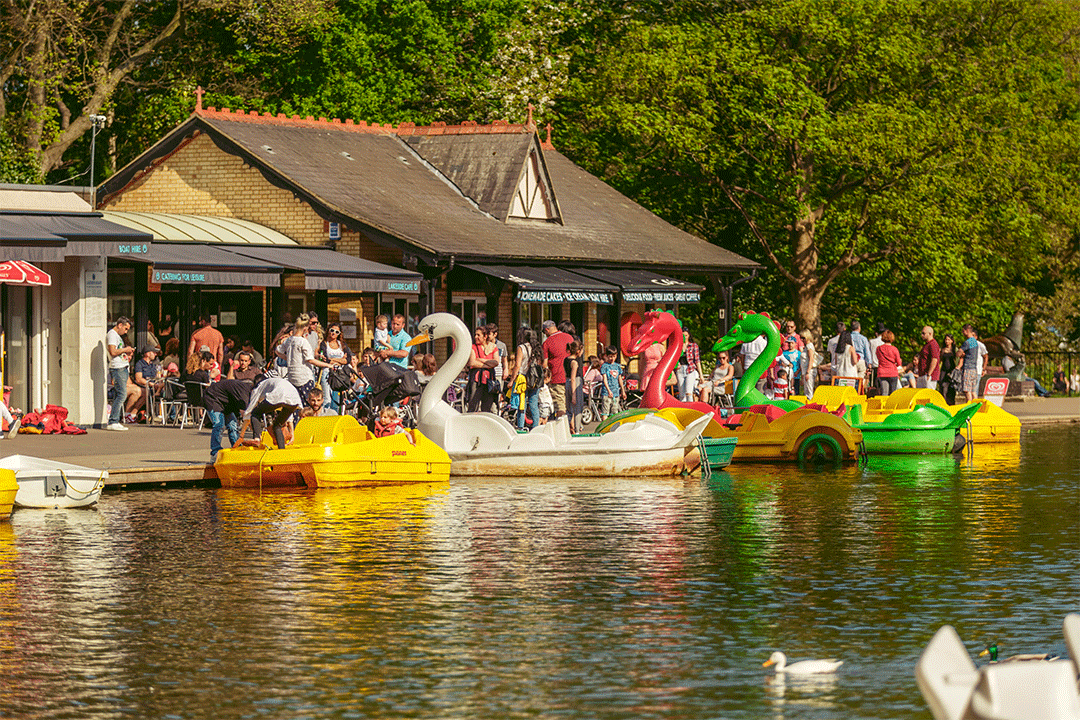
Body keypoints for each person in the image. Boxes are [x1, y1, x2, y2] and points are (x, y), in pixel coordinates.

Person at [234, 375, 302, 451]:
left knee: (255, 413)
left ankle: (257, 439)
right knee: (277, 425)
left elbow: (249, 411)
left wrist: (241, 435)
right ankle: (282, 450)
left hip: (279, 393)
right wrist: (292, 434)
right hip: (295, 397)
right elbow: (289, 416)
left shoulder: (259, 387)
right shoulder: (273, 383)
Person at [277, 315, 332, 403]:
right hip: (304, 377)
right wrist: (328, 365)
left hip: (292, 377)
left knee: (296, 404)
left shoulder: (289, 340)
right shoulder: (303, 342)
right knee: (308, 404)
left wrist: (288, 359)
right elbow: (310, 360)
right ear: (305, 328)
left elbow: (278, 350)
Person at [203, 378, 253, 462]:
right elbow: (246, 416)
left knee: (233, 426)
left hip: (226, 403)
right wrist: (254, 432)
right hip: (212, 398)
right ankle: (215, 452)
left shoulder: (247, 391)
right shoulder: (244, 393)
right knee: (219, 425)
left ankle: (237, 448)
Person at [106, 316, 135, 431]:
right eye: (126, 328)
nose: (126, 331)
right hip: (117, 368)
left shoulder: (116, 336)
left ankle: (114, 420)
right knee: (122, 394)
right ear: (120, 325)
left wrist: (125, 354)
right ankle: (113, 420)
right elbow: (112, 351)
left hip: (121, 366)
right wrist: (125, 350)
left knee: (120, 394)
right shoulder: (112, 334)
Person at [511, 327, 542, 431]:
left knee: (522, 404)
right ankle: (535, 427)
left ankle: (521, 426)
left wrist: (512, 380)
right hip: (535, 378)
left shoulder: (521, 347)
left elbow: (517, 365)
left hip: (522, 378)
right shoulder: (537, 347)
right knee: (534, 404)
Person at [318, 322, 353, 411]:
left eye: (337, 332)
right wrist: (340, 359)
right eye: (332, 330)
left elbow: (348, 359)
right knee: (327, 398)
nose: (334, 333)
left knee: (337, 399)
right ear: (328, 331)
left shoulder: (342, 344)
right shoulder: (324, 343)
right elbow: (326, 359)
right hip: (327, 372)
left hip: (340, 373)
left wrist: (333, 360)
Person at [541, 319, 572, 419]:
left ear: (547, 330)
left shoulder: (547, 343)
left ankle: (561, 429)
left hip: (556, 377)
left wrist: (545, 378)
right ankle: (574, 427)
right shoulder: (569, 337)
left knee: (559, 406)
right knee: (570, 405)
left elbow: (544, 364)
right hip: (570, 376)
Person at [467, 325, 499, 413]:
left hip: (489, 380)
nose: (475, 337)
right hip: (477, 380)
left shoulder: (493, 347)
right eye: (475, 335)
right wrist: (488, 365)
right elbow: (472, 363)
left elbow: (496, 362)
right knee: (473, 404)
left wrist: (481, 360)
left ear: (485, 337)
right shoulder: (473, 347)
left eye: (478, 335)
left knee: (487, 405)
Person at [127, 346, 161, 422]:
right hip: (144, 386)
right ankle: (132, 414)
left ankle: (166, 415)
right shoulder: (140, 364)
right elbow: (138, 379)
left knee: (167, 390)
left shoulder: (153, 365)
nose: (155, 354)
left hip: (154, 385)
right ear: (148, 354)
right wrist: (150, 384)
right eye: (154, 352)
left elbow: (156, 377)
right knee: (146, 392)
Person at [599, 345, 625, 419]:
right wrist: (608, 390)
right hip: (607, 393)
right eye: (610, 356)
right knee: (605, 412)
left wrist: (622, 390)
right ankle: (604, 429)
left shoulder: (617, 366)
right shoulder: (604, 366)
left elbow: (619, 379)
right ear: (606, 356)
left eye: (613, 356)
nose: (612, 358)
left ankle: (613, 429)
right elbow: (604, 379)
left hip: (616, 392)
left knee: (614, 412)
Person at [875, 330, 903, 396]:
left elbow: (878, 358)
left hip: (882, 372)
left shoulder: (878, 349)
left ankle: (884, 406)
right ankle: (891, 406)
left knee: (884, 392)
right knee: (892, 394)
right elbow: (899, 363)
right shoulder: (894, 349)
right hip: (892, 372)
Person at [564, 341, 584, 432]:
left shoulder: (566, 360)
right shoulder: (574, 363)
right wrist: (574, 394)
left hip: (567, 383)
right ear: (578, 351)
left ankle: (567, 429)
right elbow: (573, 378)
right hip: (574, 384)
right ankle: (577, 430)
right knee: (577, 408)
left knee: (568, 409)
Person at [958, 323, 980, 402]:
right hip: (974, 368)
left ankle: (969, 405)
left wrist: (960, 353)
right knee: (973, 391)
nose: (962, 333)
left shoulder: (967, 342)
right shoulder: (975, 341)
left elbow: (959, 353)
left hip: (967, 368)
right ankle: (976, 407)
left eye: (963, 331)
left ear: (967, 331)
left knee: (967, 390)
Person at [676, 330, 701, 403]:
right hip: (680, 369)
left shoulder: (693, 345)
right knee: (681, 394)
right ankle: (683, 411)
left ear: (689, 336)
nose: (684, 337)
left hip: (690, 369)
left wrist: (701, 375)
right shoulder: (678, 345)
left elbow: (697, 360)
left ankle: (691, 409)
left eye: (686, 335)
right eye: (683, 335)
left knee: (688, 392)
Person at [850, 320, 873, 384]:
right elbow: (867, 352)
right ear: (859, 328)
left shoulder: (848, 337)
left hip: (851, 360)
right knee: (860, 381)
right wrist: (869, 363)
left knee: (851, 380)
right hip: (861, 360)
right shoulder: (863, 338)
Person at [938, 334, 959, 404]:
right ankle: (943, 402)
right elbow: (940, 360)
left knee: (951, 387)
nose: (947, 341)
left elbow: (958, 359)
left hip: (952, 370)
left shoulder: (955, 350)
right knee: (943, 386)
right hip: (944, 370)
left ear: (952, 341)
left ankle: (951, 402)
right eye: (946, 339)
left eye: (948, 340)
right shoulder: (942, 350)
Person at [800, 330, 818, 398]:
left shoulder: (809, 346)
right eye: (801, 338)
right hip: (806, 371)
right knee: (806, 390)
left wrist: (808, 372)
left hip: (809, 371)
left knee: (809, 390)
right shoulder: (807, 346)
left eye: (803, 338)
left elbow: (811, 359)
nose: (802, 340)